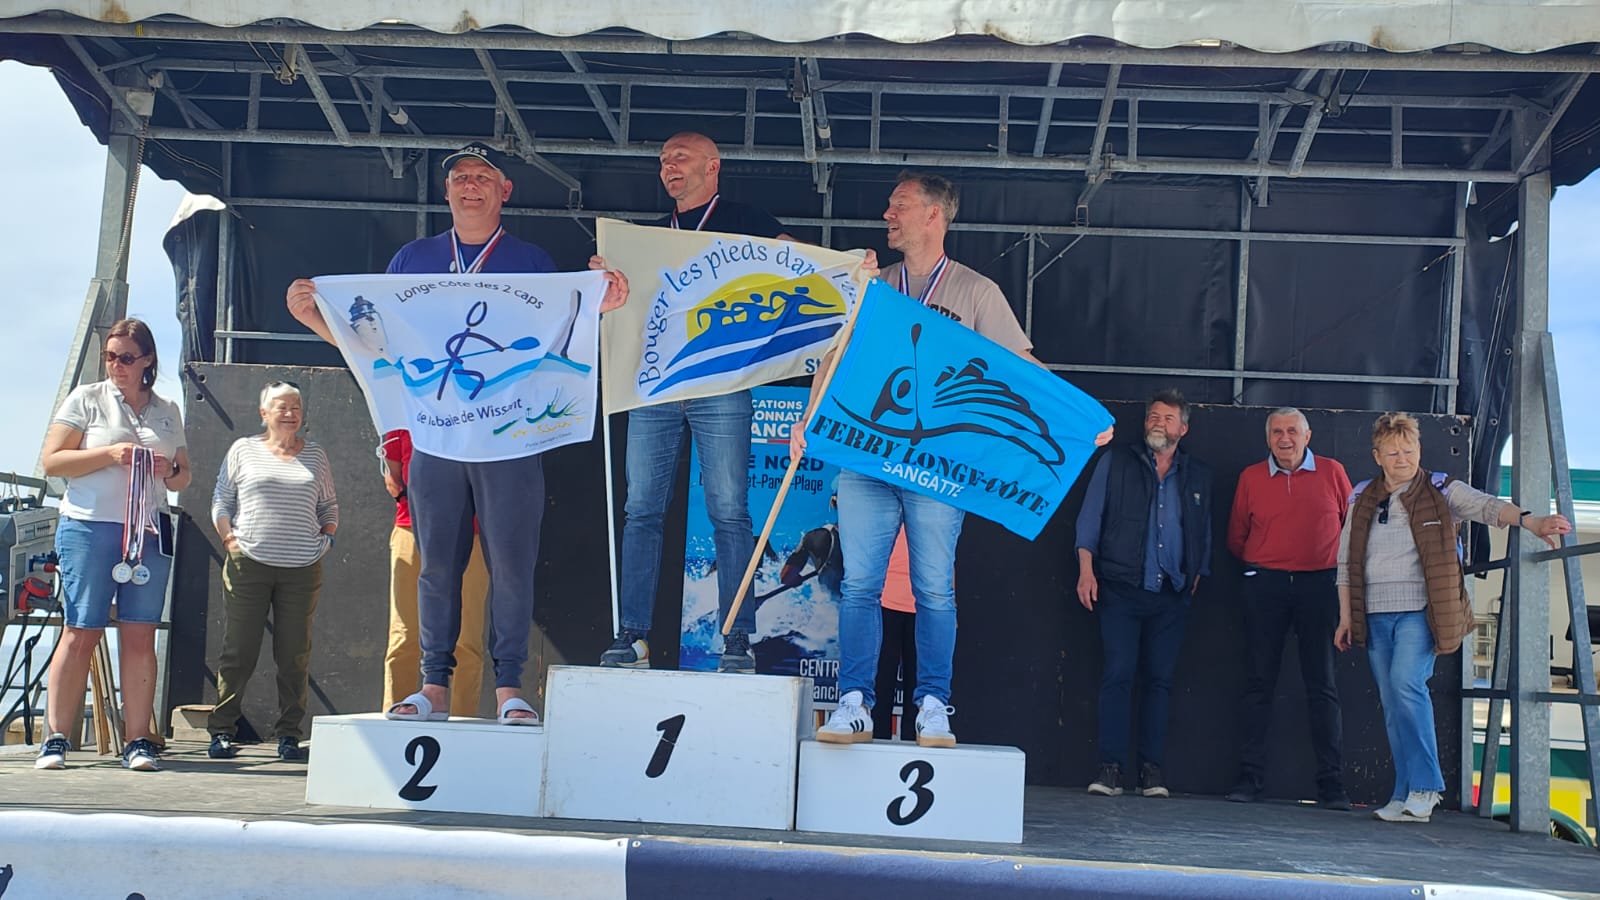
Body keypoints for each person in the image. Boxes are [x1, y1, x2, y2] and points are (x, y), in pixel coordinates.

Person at [287, 143, 628, 725]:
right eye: (461, 177)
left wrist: (600, 304)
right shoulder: (412, 259)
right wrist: (316, 318)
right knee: (436, 567)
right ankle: (433, 687)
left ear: (505, 191)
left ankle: (510, 689)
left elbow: (560, 333)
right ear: (446, 191)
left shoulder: (531, 261)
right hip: (436, 438)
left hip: (509, 438)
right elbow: (377, 347)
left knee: (512, 567)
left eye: (483, 177)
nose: (470, 186)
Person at [808, 171, 1111, 748]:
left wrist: (1080, 415)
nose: (887, 215)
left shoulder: (976, 291)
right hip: (867, 458)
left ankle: (932, 705)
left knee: (933, 590)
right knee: (860, 585)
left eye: (899, 205)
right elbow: (834, 358)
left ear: (933, 216)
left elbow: (1022, 367)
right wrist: (808, 418)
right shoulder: (875, 285)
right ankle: (854, 703)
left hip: (935, 471)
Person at [595, 132, 795, 674]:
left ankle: (738, 638)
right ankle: (632, 633)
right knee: (641, 509)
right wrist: (602, 282)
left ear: (713, 165)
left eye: (679, 157)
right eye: (663, 161)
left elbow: (802, 263)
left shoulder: (747, 220)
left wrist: (849, 267)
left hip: (722, 386)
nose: (668, 167)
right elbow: (612, 301)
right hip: (656, 388)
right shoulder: (646, 239)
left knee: (729, 511)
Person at [1334, 412, 1568, 823]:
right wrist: (1344, 616)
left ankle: (1427, 787)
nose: (1402, 458)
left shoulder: (1442, 488)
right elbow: (1344, 562)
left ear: (1419, 450)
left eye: (1409, 450)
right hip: (1374, 612)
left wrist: (1532, 521)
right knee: (1393, 703)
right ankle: (1404, 792)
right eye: (1393, 452)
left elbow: (1488, 507)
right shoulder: (1361, 496)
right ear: (1377, 456)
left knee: (1407, 684)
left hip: (1422, 611)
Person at [36, 318, 190, 772]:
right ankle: (56, 738)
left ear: (147, 360)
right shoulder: (86, 398)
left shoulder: (168, 409)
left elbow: (184, 475)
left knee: (141, 633)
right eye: (110, 356)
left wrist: (168, 470)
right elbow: (52, 461)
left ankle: (138, 740)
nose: (116, 365)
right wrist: (109, 454)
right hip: (90, 527)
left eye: (125, 357)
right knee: (81, 629)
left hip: (149, 530)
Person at [1076, 389, 1212, 798]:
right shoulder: (1115, 461)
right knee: (1117, 676)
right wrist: (1085, 571)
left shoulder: (1197, 474)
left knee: (1160, 682)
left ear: (1183, 429)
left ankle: (1151, 771)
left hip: (1172, 594)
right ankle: (1110, 769)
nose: (1158, 423)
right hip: (1121, 588)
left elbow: (1203, 530)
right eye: (1153, 416)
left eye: (1168, 418)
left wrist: (1197, 572)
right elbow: (1089, 519)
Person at [1224, 408, 1354, 809]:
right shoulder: (1250, 477)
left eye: (1293, 431)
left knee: (1322, 684)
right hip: (1266, 585)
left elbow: (1352, 528)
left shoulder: (1333, 472)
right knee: (1258, 683)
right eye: (1277, 431)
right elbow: (1236, 536)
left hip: (1321, 585)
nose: (1285, 438)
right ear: (1267, 438)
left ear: (1307, 435)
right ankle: (1249, 779)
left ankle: (1331, 785)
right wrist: (1269, 564)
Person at [207, 381, 337, 761]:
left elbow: (328, 505)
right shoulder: (243, 450)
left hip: (302, 570)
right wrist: (229, 538)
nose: (290, 413)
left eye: (296, 406)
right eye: (281, 406)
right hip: (248, 564)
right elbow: (221, 499)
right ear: (264, 413)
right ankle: (222, 730)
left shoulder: (316, 455)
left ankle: (289, 735)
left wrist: (326, 540)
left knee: (294, 654)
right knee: (239, 649)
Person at [380, 429, 489, 718]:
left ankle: (463, 722)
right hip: (410, 529)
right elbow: (393, 480)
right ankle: (395, 718)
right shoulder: (404, 416)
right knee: (404, 634)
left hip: (471, 532)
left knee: (467, 638)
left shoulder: (479, 413)